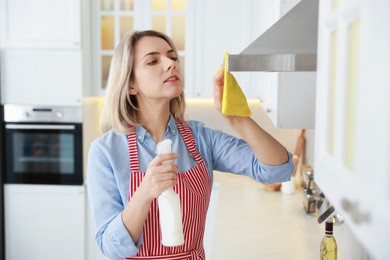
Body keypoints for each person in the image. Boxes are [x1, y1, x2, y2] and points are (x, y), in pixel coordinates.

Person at [87, 30, 294, 260]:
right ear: (131, 84)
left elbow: (278, 169)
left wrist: (237, 118)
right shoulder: (105, 152)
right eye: (153, 60)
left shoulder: (200, 138)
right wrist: (144, 192)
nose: (171, 64)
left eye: (172, 57)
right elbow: (111, 248)